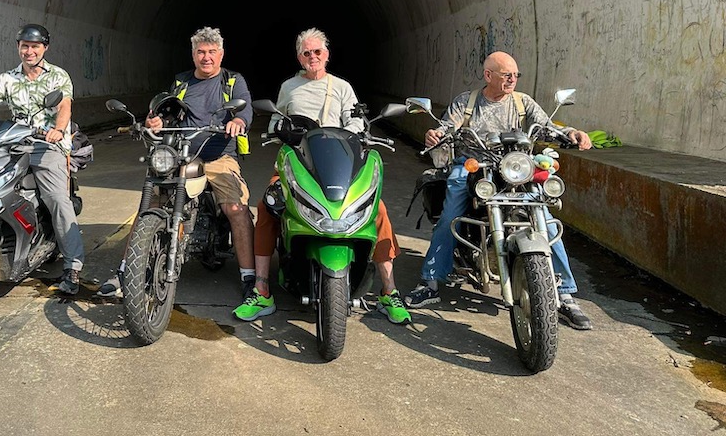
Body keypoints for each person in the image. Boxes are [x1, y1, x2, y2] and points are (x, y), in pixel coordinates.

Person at [404, 50, 595, 331]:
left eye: (515, 75)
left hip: (514, 168)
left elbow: (546, 127)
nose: (512, 80)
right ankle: (430, 280)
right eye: (507, 75)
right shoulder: (467, 102)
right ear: (488, 75)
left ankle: (564, 294)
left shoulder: (522, 102)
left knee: (547, 221)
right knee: (451, 217)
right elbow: (446, 127)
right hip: (473, 166)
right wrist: (436, 133)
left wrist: (571, 133)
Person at [233, 28, 411, 325]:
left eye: (318, 52)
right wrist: (281, 130)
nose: (312, 57)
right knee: (268, 207)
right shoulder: (289, 87)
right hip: (299, 163)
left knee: (376, 210)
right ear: (299, 56)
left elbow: (355, 119)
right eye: (306, 52)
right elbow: (277, 121)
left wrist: (356, 131)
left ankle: (388, 291)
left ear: (327, 54)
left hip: (338, 165)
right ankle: (261, 289)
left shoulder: (341, 87)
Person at [0, 24, 85, 295]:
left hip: (46, 147)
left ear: (45, 48)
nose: (29, 51)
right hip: (13, 144)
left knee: (57, 199)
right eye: (24, 46)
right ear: (18, 47)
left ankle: (73, 265)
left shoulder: (57, 76)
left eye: (34, 46)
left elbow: (64, 106)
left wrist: (58, 130)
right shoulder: (7, 78)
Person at [141, 27, 257, 300]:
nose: (207, 58)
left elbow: (246, 109)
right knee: (153, 203)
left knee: (236, 208)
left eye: (212, 52)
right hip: (183, 155)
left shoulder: (232, 80)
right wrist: (156, 121)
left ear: (221, 54)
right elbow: (166, 112)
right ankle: (127, 268)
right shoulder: (181, 82)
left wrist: (239, 121)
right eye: (201, 52)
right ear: (193, 55)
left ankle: (251, 277)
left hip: (219, 155)